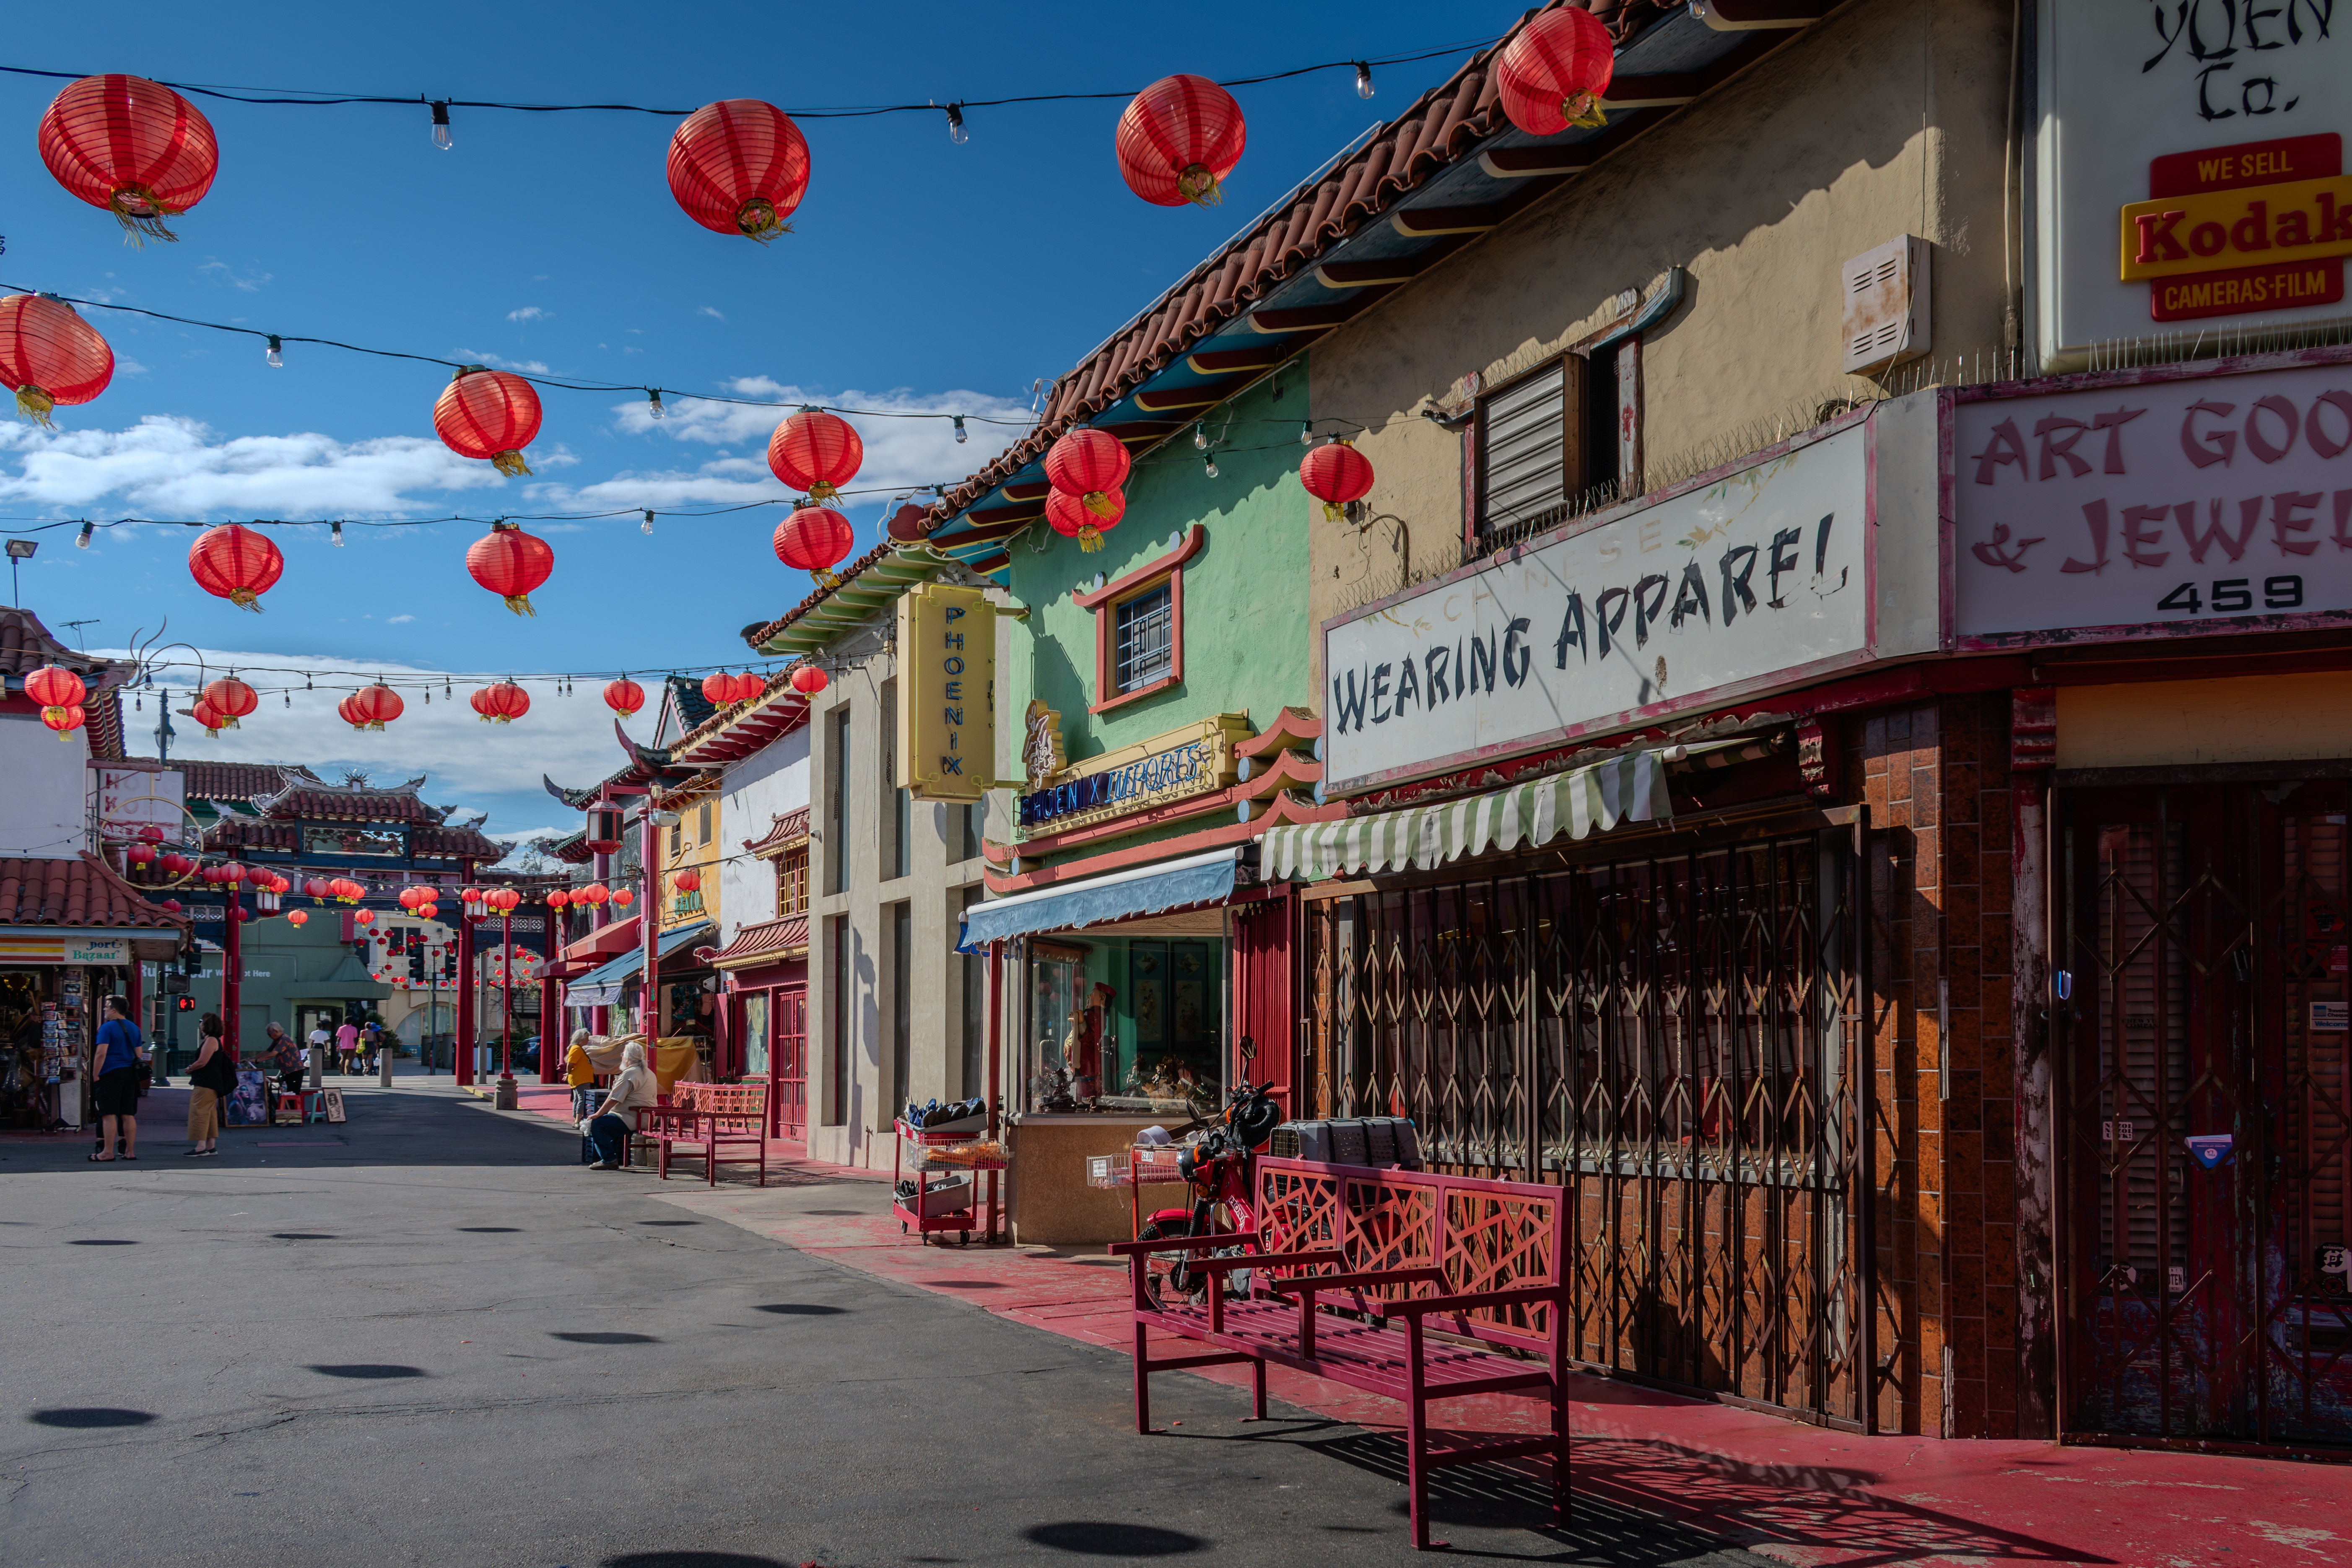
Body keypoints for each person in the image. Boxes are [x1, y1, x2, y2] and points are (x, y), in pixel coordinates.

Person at [582, 1040, 657, 1170]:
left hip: (632, 1117)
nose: (622, 1057)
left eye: (623, 1055)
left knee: (598, 1124)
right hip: (645, 1117)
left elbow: (614, 1099)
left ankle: (609, 1159)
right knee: (609, 1124)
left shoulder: (630, 1073)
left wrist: (598, 1114)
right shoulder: (648, 1072)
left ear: (628, 1057)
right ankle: (613, 1157)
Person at [88, 996, 145, 1162]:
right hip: (129, 1074)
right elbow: (139, 1055)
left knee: (108, 1114)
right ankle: (130, 1151)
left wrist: (95, 1074)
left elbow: (101, 1053)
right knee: (128, 1114)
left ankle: (107, 1152)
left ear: (114, 1010)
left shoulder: (107, 1028)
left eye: (106, 1007)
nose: (105, 1010)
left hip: (110, 1073)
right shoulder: (135, 1028)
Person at [184, 1012, 231, 1158]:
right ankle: (211, 1146)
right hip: (213, 1083)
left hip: (205, 1082)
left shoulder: (210, 1040)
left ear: (207, 1025)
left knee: (198, 1112)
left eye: (201, 1022)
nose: (200, 1024)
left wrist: (190, 1068)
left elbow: (203, 1062)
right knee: (210, 1113)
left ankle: (200, 1147)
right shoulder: (215, 1040)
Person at [262, 1023, 304, 1121]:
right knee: (287, 1093)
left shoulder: (284, 1039)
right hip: (287, 1072)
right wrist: (252, 1059)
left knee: (292, 1094)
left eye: (270, 1034)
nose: (269, 1036)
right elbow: (268, 1052)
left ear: (276, 1032)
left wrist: (257, 1061)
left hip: (295, 1071)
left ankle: (293, 1118)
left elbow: (273, 1054)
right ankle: (288, 1116)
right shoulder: (277, 1040)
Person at [565, 1028, 600, 1121]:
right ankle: (578, 1119)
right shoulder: (576, 1048)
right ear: (582, 1039)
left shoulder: (578, 1048)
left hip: (582, 1078)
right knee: (582, 1098)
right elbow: (570, 1064)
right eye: (587, 1038)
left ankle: (576, 1118)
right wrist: (569, 1073)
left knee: (578, 1098)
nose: (588, 1040)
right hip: (581, 1078)